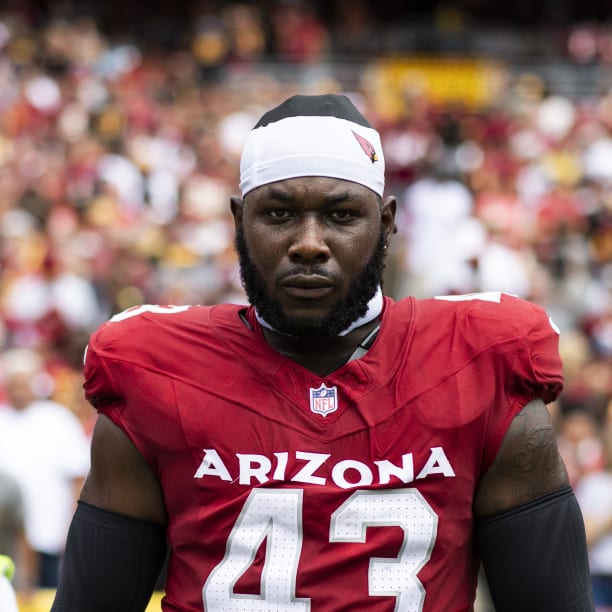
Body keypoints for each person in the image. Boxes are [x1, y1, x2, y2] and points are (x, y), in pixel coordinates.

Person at [52, 94, 594, 611]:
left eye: (340, 215)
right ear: (239, 220)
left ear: (385, 222)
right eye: (280, 214)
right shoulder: (156, 370)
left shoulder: (478, 362)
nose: (309, 243)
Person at [0, 348, 90, 591]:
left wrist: (72, 528)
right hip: (6, 544)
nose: (18, 390)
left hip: (51, 537)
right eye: (13, 384)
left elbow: (79, 479)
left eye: (23, 383)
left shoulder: (59, 420)